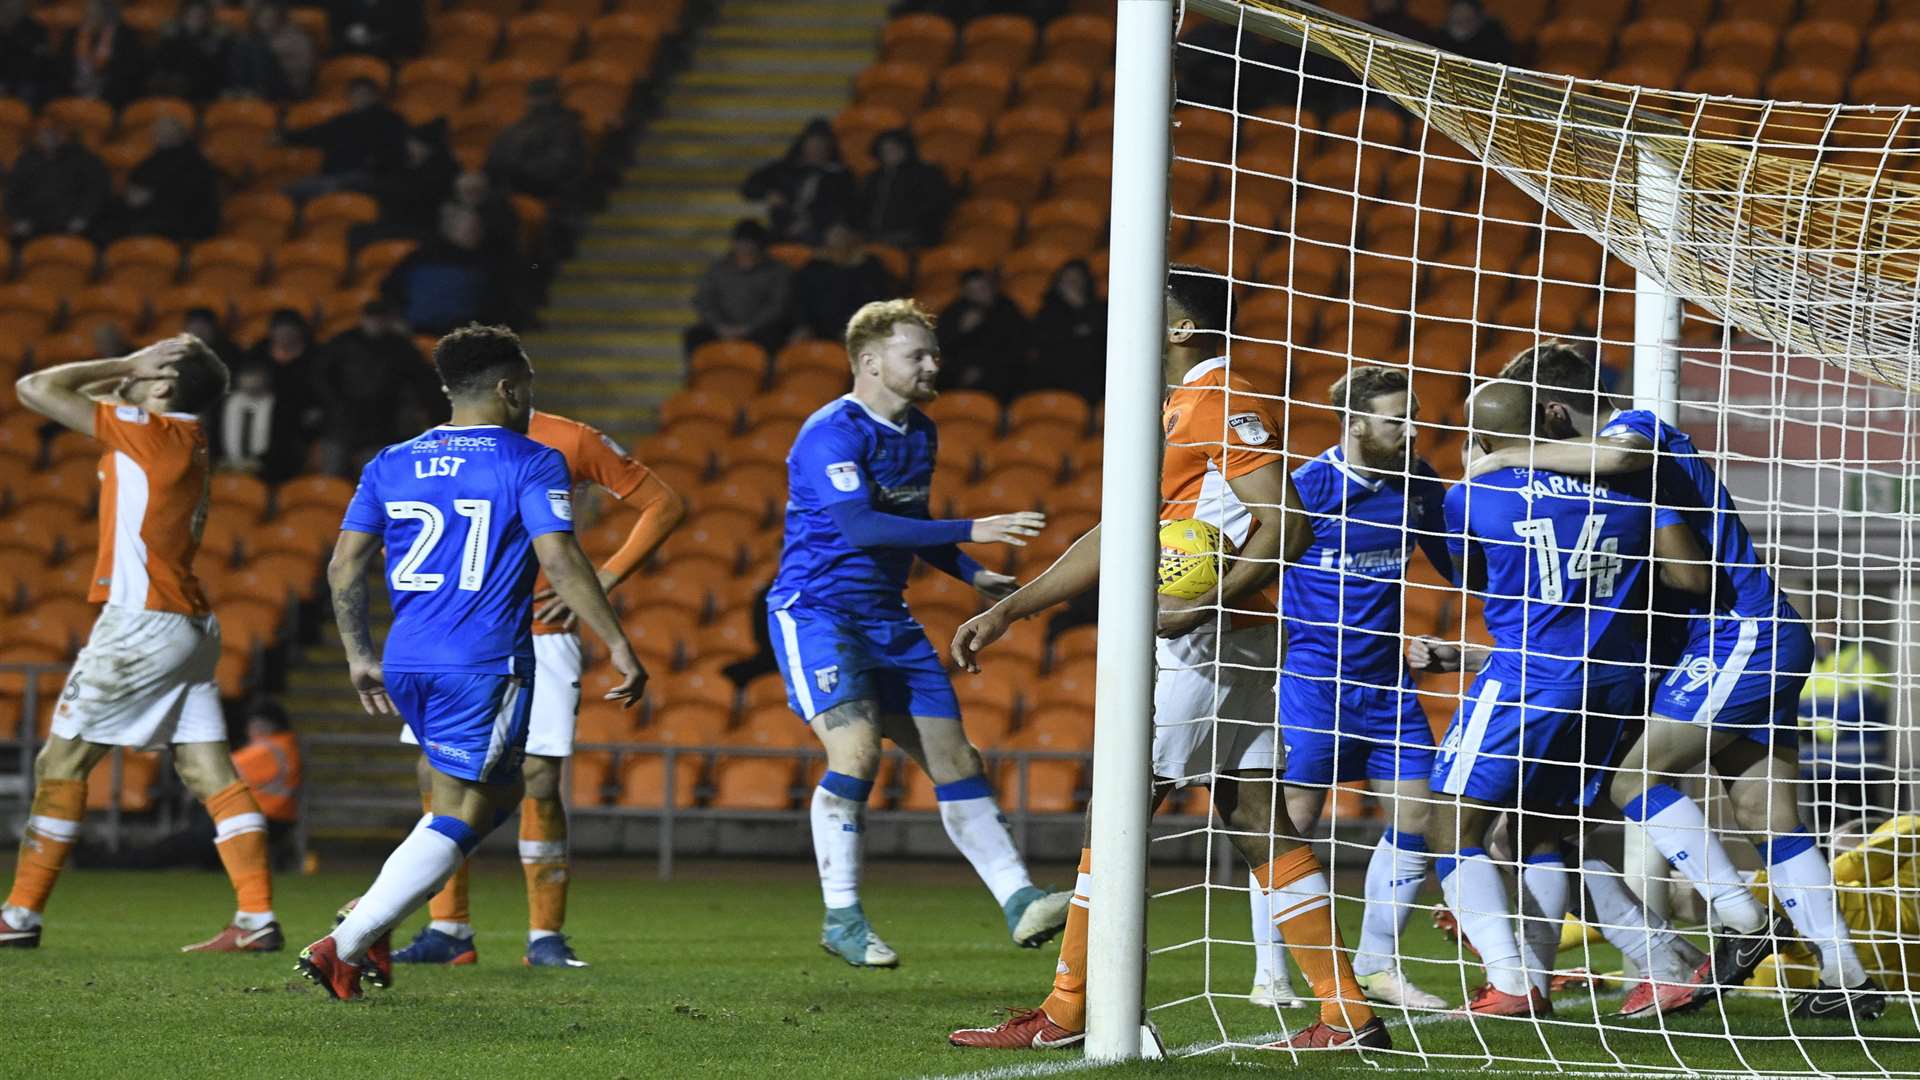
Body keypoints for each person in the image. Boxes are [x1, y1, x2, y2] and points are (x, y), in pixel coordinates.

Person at [948, 267, 1388, 1052]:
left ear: (1182, 330)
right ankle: (1345, 1013)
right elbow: (1120, 535)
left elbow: (1288, 525)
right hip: (1230, 638)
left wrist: (1202, 605)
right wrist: (1013, 607)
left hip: (1208, 641)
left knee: (1116, 807)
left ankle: (1069, 1008)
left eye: (1147, 314)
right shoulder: (1174, 410)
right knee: (1257, 819)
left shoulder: (1218, 399)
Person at [1473, 344, 1885, 1021]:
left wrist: (1510, 457)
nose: (1531, 444)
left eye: (1531, 427)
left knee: (1633, 780)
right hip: (1759, 634)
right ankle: (1847, 973)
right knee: (1769, 817)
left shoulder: (1636, 433)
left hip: (1736, 635)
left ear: (1551, 410)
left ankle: (1743, 925)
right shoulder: (1611, 473)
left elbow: (1682, 562)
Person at [297, 324, 646, 1000]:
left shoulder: (391, 461)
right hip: (481, 662)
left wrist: (358, 656)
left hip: (408, 660)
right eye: (530, 387)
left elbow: (344, 564)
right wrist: (618, 642)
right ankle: (348, 939)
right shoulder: (530, 459)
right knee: (475, 804)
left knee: (486, 795)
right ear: (510, 388)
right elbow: (559, 560)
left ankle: (369, 923)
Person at [769, 298, 1069, 969]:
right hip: (818, 613)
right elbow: (862, 527)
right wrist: (973, 527)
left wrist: (972, 573)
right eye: (918, 354)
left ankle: (1020, 901)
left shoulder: (920, 432)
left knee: (957, 759)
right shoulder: (830, 433)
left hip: (887, 618)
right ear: (871, 362)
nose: (934, 364)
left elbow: (911, 521)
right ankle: (842, 916)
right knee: (856, 755)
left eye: (934, 354)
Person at [1414, 379, 1711, 1018]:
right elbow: (1688, 578)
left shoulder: (1475, 494)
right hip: (1615, 683)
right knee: (1536, 834)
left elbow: (1471, 573)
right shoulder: (1630, 487)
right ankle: (1662, 959)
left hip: (1528, 680)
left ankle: (1513, 980)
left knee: (1447, 826)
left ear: (1484, 438)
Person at [0, 336, 282, 954]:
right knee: (207, 769)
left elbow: (35, 388)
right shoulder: (179, 437)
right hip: (187, 625)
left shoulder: (148, 433)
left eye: (152, 363)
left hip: (141, 624)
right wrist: (135, 373)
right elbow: (93, 393)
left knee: (60, 765)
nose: (136, 364)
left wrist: (128, 366)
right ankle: (256, 918)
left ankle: (18, 917)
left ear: (160, 389)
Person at [392, 409, 683, 968]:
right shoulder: (438, 446)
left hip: (543, 634)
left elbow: (663, 503)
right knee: (435, 771)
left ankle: (545, 936)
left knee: (539, 777)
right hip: (460, 633)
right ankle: (448, 929)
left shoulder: (571, 438)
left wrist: (605, 577)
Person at [1241, 365, 1453, 1013]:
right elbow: (1244, 565)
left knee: (1419, 818)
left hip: (1388, 689)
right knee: (1290, 826)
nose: (1413, 430)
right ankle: (1270, 972)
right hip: (1313, 687)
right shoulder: (1305, 488)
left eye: (1415, 415)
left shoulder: (1418, 487)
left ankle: (1378, 964)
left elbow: (1457, 563)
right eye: (1398, 419)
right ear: (1355, 423)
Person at [312, 300, 444, 469]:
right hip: (341, 421)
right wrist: (333, 405)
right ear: (363, 319)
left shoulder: (401, 347)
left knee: (373, 478)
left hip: (381, 423)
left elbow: (422, 381)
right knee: (332, 475)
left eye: (380, 318)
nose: (375, 323)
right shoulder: (342, 343)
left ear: (388, 320)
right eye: (371, 318)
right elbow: (321, 376)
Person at [382, 207, 505, 335]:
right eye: (468, 227)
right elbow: (389, 290)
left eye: (477, 227)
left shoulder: (488, 264)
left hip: (463, 336)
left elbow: (495, 305)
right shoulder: (420, 257)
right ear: (450, 228)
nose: (473, 231)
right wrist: (396, 319)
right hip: (414, 333)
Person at [281, 75, 409, 198]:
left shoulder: (391, 120)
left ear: (375, 96)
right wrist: (285, 138)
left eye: (364, 93)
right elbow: (315, 134)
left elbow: (395, 154)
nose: (359, 98)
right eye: (355, 94)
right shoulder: (343, 121)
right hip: (338, 176)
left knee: (329, 187)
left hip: (371, 177)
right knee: (291, 191)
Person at [685, 219, 794, 357]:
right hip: (721, 328)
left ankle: (767, 377)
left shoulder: (778, 271)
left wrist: (748, 327)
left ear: (760, 245)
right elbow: (703, 300)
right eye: (741, 243)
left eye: (750, 243)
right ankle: (698, 376)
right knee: (694, 336)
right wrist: (720, 325)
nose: (745, 248)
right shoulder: (718, 269)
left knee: (775, 338)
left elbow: (777, 305)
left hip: (760, 330)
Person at [743, 118, 855, 246]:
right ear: (803, 146)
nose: (815, 151)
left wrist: (811, 222)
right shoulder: (784, 169)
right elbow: (748, 187)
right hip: (782, 228)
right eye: (812, 145)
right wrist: (768, 193)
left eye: (820, 147)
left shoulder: (841, 175)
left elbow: (846, 208)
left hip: (820, 231)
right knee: (747, 235)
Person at [484, 78, 588, 212]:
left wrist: (517, 169)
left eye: (543, 97)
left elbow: (559, 166)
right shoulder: (517, 128)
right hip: (510, 186)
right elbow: (495, 158)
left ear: (555, 97)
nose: (537, 102)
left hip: (546, 191)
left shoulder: (567, 128)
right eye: (535, 97)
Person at [121, 115, 221, 242]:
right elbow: (134, 192)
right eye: (157, 131)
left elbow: (189, 198)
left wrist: (151, 197)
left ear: (179, 134)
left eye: (163, 131)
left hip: (187, 228)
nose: (157, 134)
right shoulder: (151, 162)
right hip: (158, 225)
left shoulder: (197, 165)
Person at [230, 700, 303, 872]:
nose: (249, 730)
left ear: (265, 725)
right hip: (277, 815)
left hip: (265, 816)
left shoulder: (269, 748)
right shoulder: (286, 744)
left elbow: (223, 770)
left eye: (252, 724)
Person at [4, 123, 110, 240]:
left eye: (54, 132)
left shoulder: (83, 158)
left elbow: (94, 191)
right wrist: (19, 218)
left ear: (65, 133)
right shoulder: (26, 160)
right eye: (45, 132)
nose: (49, 137)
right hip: (33, 224)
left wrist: (83, 217)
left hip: (74, 224)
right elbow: (12, 192)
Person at [794, 222, 894, 342]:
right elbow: (802, 299)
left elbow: (878, 300)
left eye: (843, 237)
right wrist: (804, 325)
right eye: (834, 237)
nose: (839, 241)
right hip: (817, 328)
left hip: (861, 326)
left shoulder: (871, 266)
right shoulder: (815, 267)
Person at [935, 270, 1027, 402]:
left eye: (983, 288)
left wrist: (984, 369)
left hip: (999, 371)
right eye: (973, 291)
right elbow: (943, 348)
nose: (980, 294)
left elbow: (1018, 346)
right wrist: (961, 331)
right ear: (965, 293)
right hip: (959, 371)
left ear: (992, 287)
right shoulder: (954, 312)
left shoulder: (1008, 309)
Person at [1023, 260, 1106, 402]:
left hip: (1089, 379)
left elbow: (1100, 341)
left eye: (1076, 279)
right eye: (1067, 279)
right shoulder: (1047, 312)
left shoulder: (1101, 309)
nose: (1072, 283)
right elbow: (1042, 344)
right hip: (1052, 377)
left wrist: (1081, 308)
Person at [855, 129, 953, 249]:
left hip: (911, 234)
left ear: (907, 149)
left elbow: (937, 205)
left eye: (894, 149)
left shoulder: (926, 173)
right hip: (872, 234)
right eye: (884, 150)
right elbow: (862, 206)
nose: (889, 153)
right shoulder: (873, 177)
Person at [59, 0, 145, 106]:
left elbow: (128, 80)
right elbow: (61, 73)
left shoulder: (125, 37)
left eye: (98, 8)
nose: (93, 11)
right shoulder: (72, 34)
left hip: (111, 103)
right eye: (89, 8)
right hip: (71, 100)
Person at [147, 0, 233, 102]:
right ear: (183, 17)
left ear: (208, 18)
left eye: (201, 15)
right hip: (175, 92)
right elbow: (162, 67)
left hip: (207, 91)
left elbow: (220, 72)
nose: (196, 19)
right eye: (192, 15)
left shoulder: (216, 41)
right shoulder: (171, 39)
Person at [326, 0, 425, 61]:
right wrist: (347, 35)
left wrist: (374, 37)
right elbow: (335, 30)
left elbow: (412, 34)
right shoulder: (342, 3)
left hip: (393, 58)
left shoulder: (409, 2)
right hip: (348, 54)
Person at [0, 0, 52, 105]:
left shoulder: (35, 26)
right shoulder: (5, 31)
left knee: (26, 96)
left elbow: (42, 57)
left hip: (28, 78)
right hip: (6, 74)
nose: (10, 9)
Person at [1434, 0, 1513, 65]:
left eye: (1468, 20)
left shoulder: (1493, 41)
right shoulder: (1438, 40)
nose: (1462, 24)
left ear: (1479, 19)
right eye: (1457, 21)